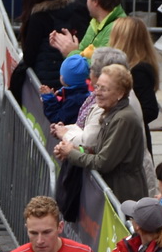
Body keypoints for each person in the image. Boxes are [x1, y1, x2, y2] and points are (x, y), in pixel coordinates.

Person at [52, 64, 149, 202]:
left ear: (120, 93)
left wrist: (71, 153)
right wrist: (76, 149)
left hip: (123, 196)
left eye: (104, 89)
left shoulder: (123, 119)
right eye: (97, 86)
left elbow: (103, 162)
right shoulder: (111, 112)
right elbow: (100, 150)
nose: (97, 92)